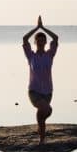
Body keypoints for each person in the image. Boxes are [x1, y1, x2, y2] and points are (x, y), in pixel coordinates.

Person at [23, 16, 59, 144]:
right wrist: (36, 28)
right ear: (35, 42)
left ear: (45, 42)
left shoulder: (50, 54)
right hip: (34, 91)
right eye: (38, 40)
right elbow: (24, 39)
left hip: (48, 91)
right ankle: (40, 130)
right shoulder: (30, 55)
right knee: (47, 110)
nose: (41, 42)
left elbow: (55, 38)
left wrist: (43, 28)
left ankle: (42, 140)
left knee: (42, 116)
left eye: (43, 41)